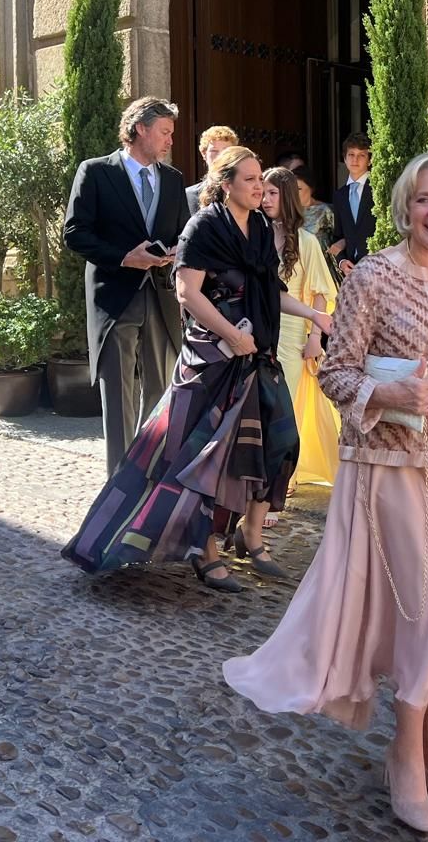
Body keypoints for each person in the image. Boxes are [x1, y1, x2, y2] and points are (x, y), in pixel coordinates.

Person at [224, 152, 428, 834]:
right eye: (425, 200)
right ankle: (404, 758)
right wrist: (384, 393)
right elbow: (336, 373)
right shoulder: (374, 279)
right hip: (397, 470)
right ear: (405, 205)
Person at [62, 146, 334, 591]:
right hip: (213, 359)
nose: (259, 187)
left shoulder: (262, 229)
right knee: (204, 461)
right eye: (249, 179)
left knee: (280, 443)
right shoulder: (202, 227)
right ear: (225, 184)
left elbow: (270, 291)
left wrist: (313, 315)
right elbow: (188, 293)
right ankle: (205, 553)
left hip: (257, 355)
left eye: (259, 179)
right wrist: (230, 332)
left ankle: (250, 534)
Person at [62, 97, 190, 477]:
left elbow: (183, 231)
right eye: (164, 133)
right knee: (118, 394)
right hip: (116, 299)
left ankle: (146, 471)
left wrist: (178, 249)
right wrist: (124, 256)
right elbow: (74, 234)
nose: (170, 141)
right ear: (140, 129)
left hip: (161, 298)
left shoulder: (174, 180)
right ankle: (116, 483)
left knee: (159, 390)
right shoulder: (96, 172)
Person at [261, 166, 341, 488]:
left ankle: (282, 483)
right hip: (260, 331)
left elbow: (322, 292)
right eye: (262, 192)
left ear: (287, 197)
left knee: (286, 408)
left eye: (272, 193)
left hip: (293, 335)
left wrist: (315, 338)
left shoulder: (306, 242)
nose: (264, 199)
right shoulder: (257, 235)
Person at [328, 131, 375, 278]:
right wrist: (341, 261)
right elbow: (338, 235)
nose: (355, 160)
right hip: (351, 271)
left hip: (375, 268)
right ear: (345, 158)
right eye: (351, 155)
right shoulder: (339, 195)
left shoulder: (378, 190)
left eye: (361, 155)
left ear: (369, 160)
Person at [277, 151, 335, 253]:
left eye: (299, 189)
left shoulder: (325, 211)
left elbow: (341, 237)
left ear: (311, 188)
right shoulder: (287, 211)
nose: (294, 193)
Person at [186, 124, 239, 215]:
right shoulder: (188, 195)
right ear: (204, 154)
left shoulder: (242, 191)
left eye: (225, 151)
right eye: (214, 151)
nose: (220, 156)